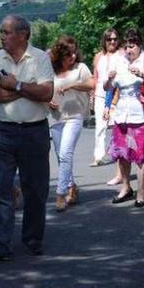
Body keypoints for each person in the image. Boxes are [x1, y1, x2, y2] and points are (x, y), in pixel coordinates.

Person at [0, 15, 54, 263]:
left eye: (7, 32)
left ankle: (33, 240)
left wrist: (16, 85)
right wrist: (25, 90)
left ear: (23, 34)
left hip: (35, 131)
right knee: (1, 188)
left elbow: (47, 92)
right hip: (4, 130)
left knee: (35, 190)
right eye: (1, 32)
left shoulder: (41, 58)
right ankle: (0, 245)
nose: (1, 37)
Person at [104, 29, 144, 207]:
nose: (128, 50)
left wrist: (142, 75)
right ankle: (125, 187)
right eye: (126, 47)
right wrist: (108, 80)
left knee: (141, 155)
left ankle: (141, 191)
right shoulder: (119, 60)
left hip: (142, 114)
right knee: (122, 153)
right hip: (122, 113)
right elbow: (108, 88)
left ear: (139, 46)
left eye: (131, 46)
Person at [48, 36, 93, 211]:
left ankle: (60, 194)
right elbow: (43, 88)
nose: (72, 57)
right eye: (68, 54)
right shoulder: (50, 69)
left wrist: (73, 85)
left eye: (75, 52)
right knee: (61, 156)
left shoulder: (80, 68)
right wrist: (47, 101)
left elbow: (91, 84)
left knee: (66, 153)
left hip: (75, 116)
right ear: (60, 54)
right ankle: (72, 185)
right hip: (55, 117)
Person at [91, 29, 121, 167]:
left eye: (115, 39)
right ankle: (98, 156)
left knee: (117, 125)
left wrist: (115, 100)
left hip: (117, 94)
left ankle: (119, 153)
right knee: (100, 125)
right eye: (109, 39)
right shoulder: (98, 57)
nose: (112, 42)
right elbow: (95, 77)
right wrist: (92, 95)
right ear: (105, 41)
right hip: (100, 94)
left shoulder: (122, 55)